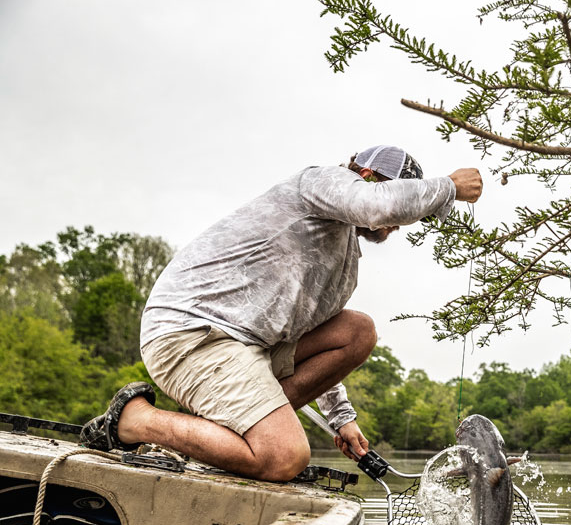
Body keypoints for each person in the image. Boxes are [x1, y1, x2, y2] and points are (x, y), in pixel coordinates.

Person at [80, 145, 483, 482]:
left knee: (357, 331)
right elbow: (376, 206)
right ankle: (135, 420)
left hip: (247, 351)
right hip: (192, 334)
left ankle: (243, 429)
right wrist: (448, 186)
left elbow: (307, 344)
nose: (397, 225)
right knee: (285, 458)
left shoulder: (344, 265)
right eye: (401, 200)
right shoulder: (323, 181)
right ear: (363, 174)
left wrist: (341, 419)